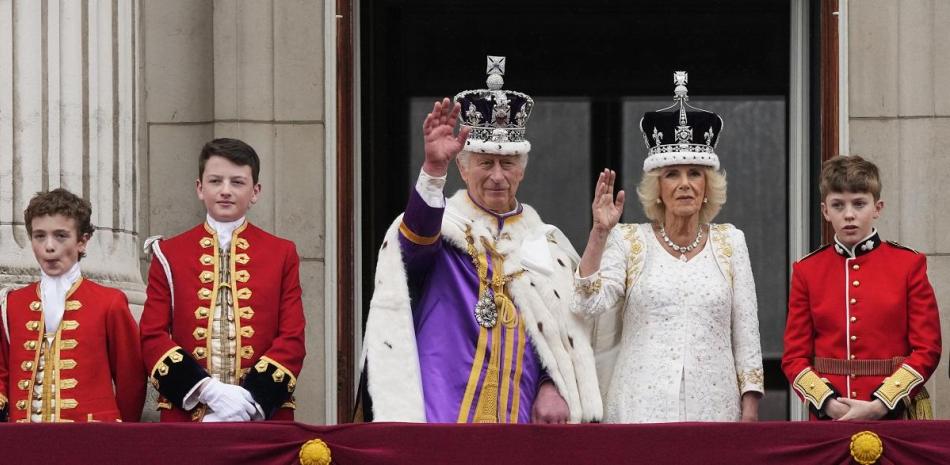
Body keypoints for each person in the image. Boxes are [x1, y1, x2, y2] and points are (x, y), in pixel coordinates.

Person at [360, 56, 601, 424]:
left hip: (520, 415)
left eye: (507, 164)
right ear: (462, 166)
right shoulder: (441, 228)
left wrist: (553, 384)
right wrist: (432, 171)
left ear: (523, 168)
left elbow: (567, 328)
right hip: (441, 407)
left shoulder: (546, 244)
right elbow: (414, 247)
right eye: (485, 163)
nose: (497, 176)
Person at [572, 72, 764, 423]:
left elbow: (747, 335)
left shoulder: (730, 242)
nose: (685, 184)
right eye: (672, 174)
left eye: (695, 173)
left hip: (715, 409)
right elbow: (586, 303)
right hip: (638, 409)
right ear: (657, 186)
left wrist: (749, 409)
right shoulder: (629, 240)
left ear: (708, 185)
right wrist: (599, 232)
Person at [140, 138, 306, 422]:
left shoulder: (282, 253)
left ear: (255, 192)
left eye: (238, 182)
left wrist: (250, 404)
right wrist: (207, 391)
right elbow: (152, 336)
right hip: (187, 415)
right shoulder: (168, 253)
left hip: (262, 417)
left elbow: (292, 338)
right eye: (216, 181)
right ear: (199, 188)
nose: (226, 191)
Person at [782, 155, 941, 420]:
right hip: (829, 417)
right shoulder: (807, 270)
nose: (849, 215)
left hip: (892, 415)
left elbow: (928, 348)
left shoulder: (908, 265)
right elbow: (794, 356)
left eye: (859, 204)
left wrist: (880, 405)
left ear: (877, 207)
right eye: (838, 205)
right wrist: (828, 404)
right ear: (825, 211)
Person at [0, 188, 145, 422]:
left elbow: (131, 379)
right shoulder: (12, 303)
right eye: (39, 236)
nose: (49, 246)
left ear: (82, 241)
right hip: (23, 441)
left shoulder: (109, 302)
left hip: (91, 440)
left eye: (60, 236)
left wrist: (122, 436)